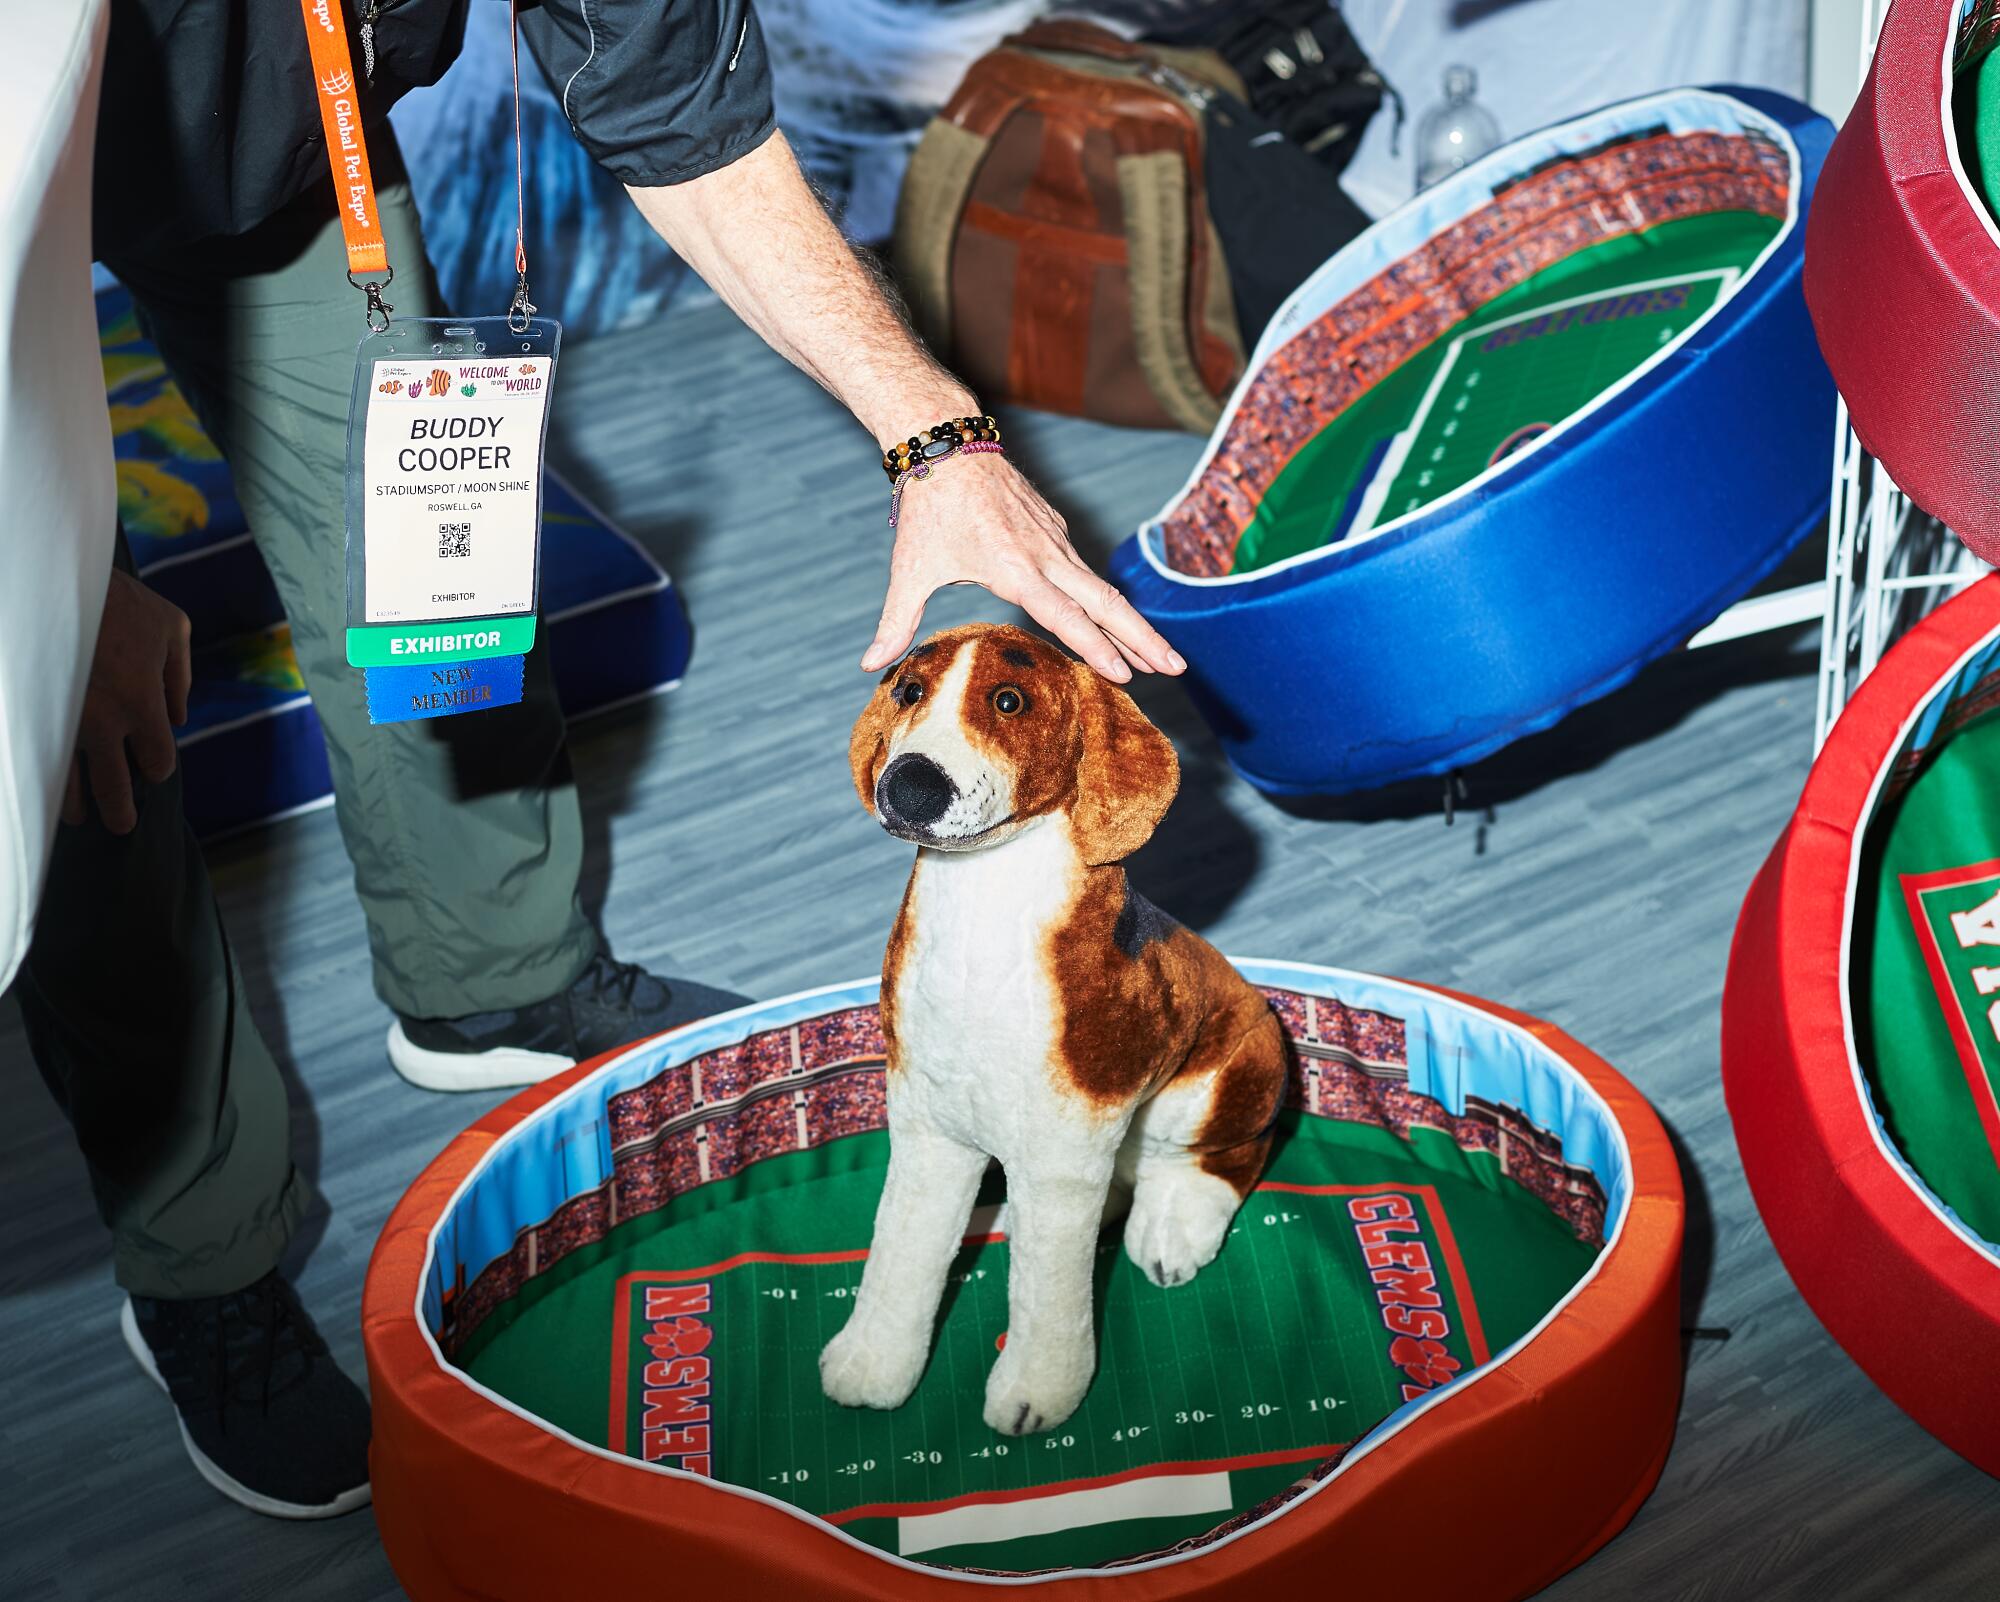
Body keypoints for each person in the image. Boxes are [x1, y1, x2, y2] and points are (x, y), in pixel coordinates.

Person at [24, 0, 1183, 1521]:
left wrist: (935, 440)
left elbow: (682, 115)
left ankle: (486, 969)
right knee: (61, 735)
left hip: (280, 133)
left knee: (425, 513)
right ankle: (201, 1250)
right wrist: (52, 579)